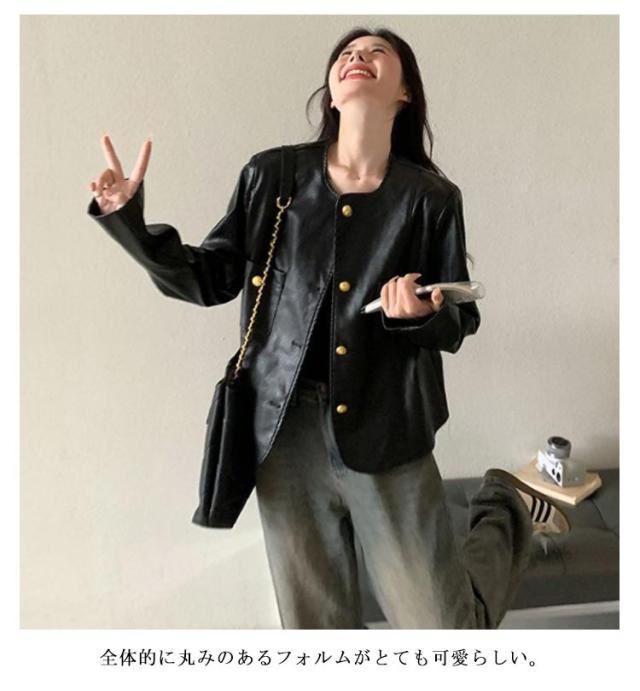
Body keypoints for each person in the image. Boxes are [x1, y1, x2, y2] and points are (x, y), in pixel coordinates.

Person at [87, 26, 571, 629]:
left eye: (376, 52)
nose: (357, 58)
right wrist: (129, 223)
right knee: (315, 632)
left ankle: (504, 504)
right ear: (332, 92)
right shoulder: (272, 177)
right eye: (346, 54)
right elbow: (209, 279)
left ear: (405, 92)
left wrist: (421, 314)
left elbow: (459, 320)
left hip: (389, 431)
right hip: (282, 435)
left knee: (446, 633)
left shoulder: (430, 199)